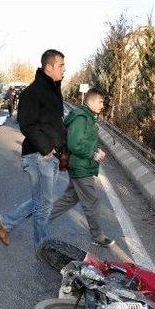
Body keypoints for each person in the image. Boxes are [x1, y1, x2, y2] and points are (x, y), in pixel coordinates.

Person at [0, 49, 66, 249]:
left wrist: (62, 149)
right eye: (61, 66)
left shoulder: (53, 91)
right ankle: (42, 248)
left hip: (50, 156)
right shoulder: (33, 91)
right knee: (43, 206)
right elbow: (26, 123)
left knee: (42, 202)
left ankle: (6, 221)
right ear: (49, 66)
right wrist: (46, 149)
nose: (63, 70)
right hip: (39, 156)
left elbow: (55, 124)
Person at [48, 87, 114, 247]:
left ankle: (42, 218)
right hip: (80, 167)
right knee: (92, 201)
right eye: (100, 102)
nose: (102, 105)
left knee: (70, 198)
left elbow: (86, 140)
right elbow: (74, 143)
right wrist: (92, 153)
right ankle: (98, 237)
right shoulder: (81, 118)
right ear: (90, 101)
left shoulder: (88, 117)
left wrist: (96, 149)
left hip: (81, 165)